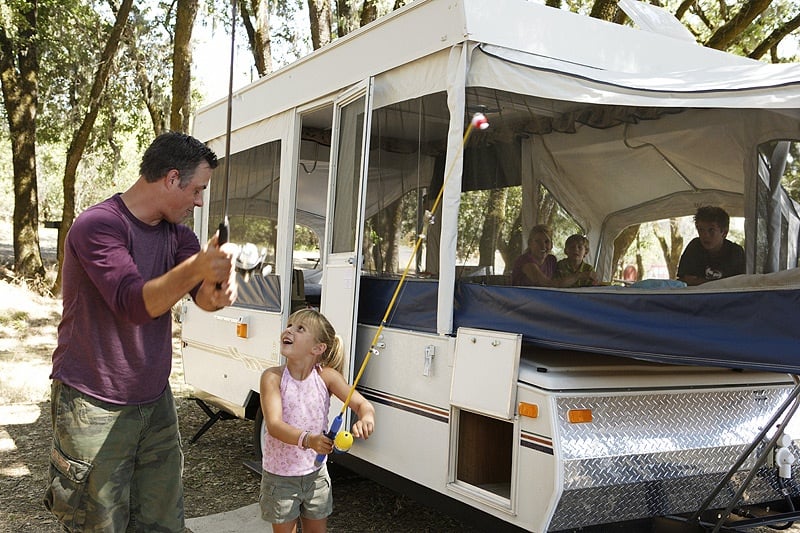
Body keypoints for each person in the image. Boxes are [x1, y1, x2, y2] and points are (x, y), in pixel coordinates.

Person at [44, 132, 238, 532]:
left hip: (154, 399)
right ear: (171, 178)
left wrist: (219, 289)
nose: (200, 201)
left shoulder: (179, 235)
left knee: (162, 521)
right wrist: (199, 268)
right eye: (198, 189)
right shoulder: (97, 225)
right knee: (98, 524)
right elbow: (135, 304)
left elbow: (199, 296)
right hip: (92, 402)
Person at [259, 308, 376, 533]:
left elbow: (363, 405)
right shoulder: (272, 377)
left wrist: (366, 418)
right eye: (290, 325)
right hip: (280, 478)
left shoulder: (327, 377)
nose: (289, 330)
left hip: (316, 475)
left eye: (300, 328)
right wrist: (309, 440)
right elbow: (274, 426)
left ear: (318, 348)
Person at [677, 206, 745, 286]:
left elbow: (739, 284)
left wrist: (700, 281)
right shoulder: (694, 247)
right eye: (701, 230)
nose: (705, 235)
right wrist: (722, 283)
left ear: (724, 232)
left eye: (711, 230)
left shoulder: (735, 252)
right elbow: (685, 281)